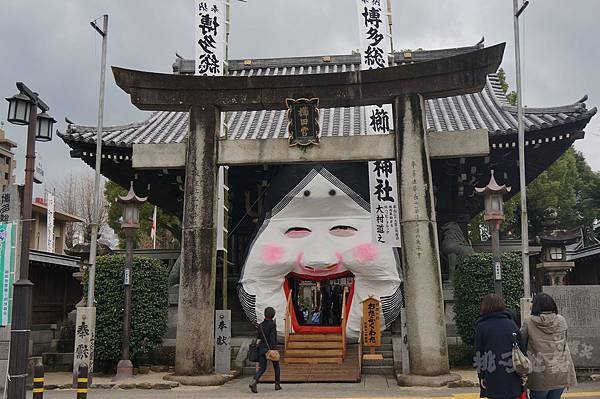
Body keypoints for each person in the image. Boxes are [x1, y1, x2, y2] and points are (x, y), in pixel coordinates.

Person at [521, 293, 577, 399]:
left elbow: (522, 343)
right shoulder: (561, 320)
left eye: (532, 302)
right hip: (560, 370)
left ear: (536, 305)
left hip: (539, 373)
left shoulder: (529, 322)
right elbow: (565, 340)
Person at [474, 293, 526, 399]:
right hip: (512, 374)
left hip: (492, 375)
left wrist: (482, 376)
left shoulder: (481, 326)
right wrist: (524, 373)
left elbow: (479, 353)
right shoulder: (511, 324)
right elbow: (522, 350)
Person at [249, 307, 281, 393]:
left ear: (265, 314)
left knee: (262, 368)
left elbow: (259, 338)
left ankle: (254, 381)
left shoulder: (260, 325)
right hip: (270, 349)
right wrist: (274, 349)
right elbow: (272, 339)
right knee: (276, 367)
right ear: (273, 315)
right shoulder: (272, 325)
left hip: (262, 349)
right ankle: (277, 384)